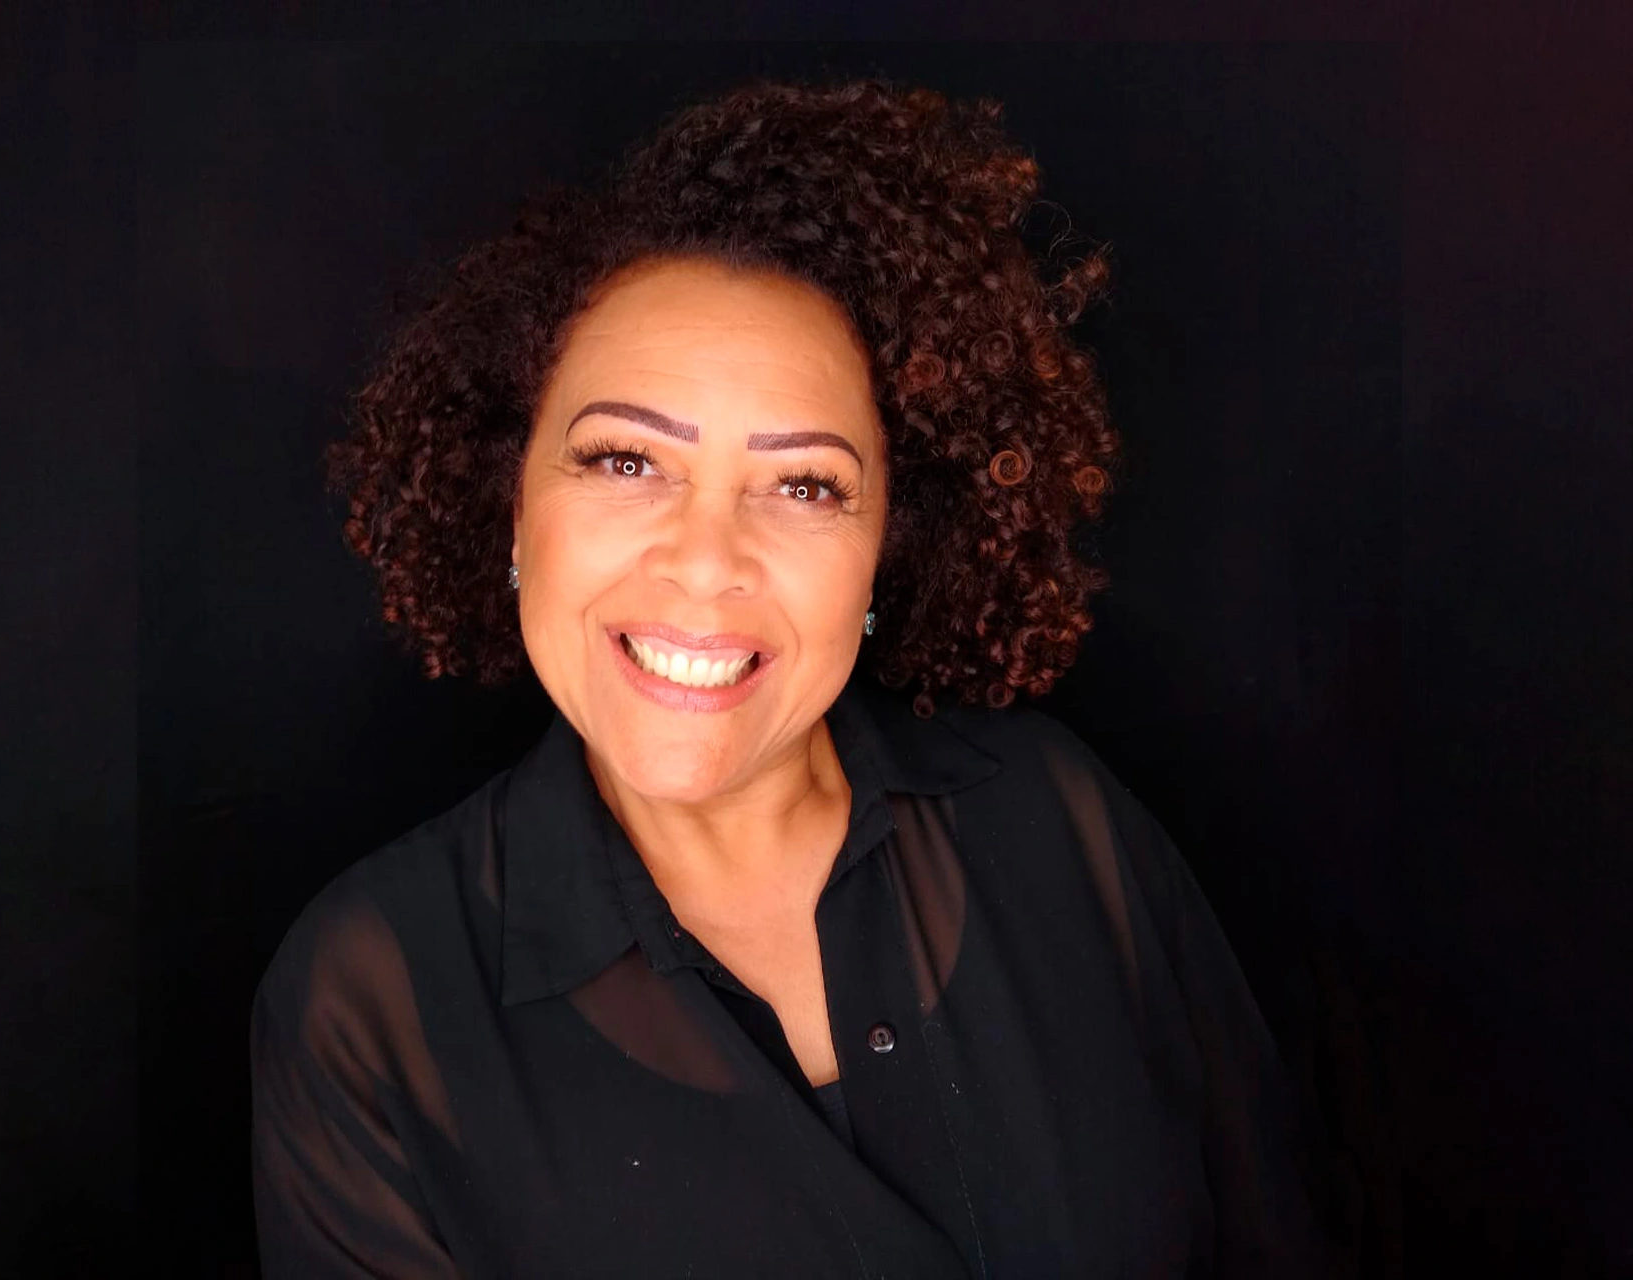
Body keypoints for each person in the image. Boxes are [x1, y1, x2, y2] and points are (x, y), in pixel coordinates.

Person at [250, 78, 1335, 1277]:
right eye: (626, 460)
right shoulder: (374, 1002)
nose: (706, 559)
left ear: (888, 546)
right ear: (513, 505)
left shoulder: (1059, 818)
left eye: (805, 484)